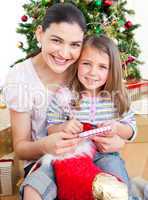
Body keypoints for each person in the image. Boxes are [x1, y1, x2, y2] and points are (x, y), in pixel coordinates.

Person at [4, 3, 129, 200]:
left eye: (74, 44)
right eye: (56, 40)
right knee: (33, 193)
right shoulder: (20, 78)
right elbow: (20, 148)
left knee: (109, 190)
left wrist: (118, 141)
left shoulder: (84, 68)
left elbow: (115, 115)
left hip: (94, 155)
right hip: (45, 161)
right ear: (39, 34)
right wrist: (46, 145)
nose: (64, 53)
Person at [20, 35, 137, 199]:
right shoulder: (65, 94)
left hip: (105, 155)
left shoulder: (117, 97)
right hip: (68, 154)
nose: (92, 72)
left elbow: (131, 130)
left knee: (119, 187)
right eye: (86, 64)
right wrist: (63, 127)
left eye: (102, 67)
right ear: (77, 64)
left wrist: (117, 128)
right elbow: (51, 127)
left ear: (112, 70)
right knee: (34, 185)